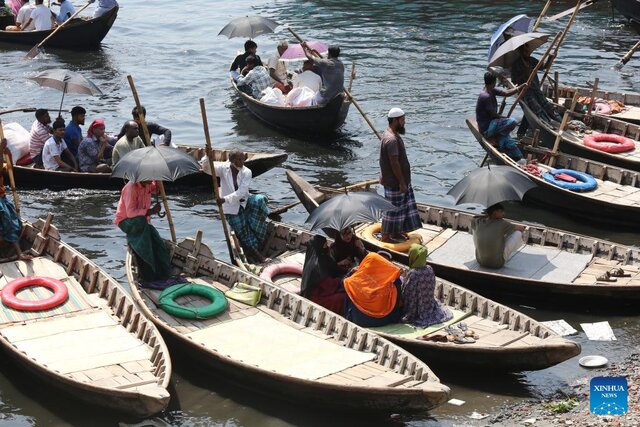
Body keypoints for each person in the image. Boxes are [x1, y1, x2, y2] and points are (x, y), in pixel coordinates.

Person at [213, 150, 270, 263]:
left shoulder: (246, 172)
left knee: (259, 200)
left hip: (244, 202)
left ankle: (257, 243)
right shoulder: (223, 169)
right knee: (244, 231)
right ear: (232, 160)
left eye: (243, 158)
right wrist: (207, 156)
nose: (242, 161)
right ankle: (259, 256)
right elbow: (207, 168)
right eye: (239, 159)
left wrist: (224, 199)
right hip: (231, 207)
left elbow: (242, 192)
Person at [379, 107, 422, 243]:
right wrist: (402, 182)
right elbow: (394, 163)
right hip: (395, 183)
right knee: (392, 210)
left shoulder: (391, 134)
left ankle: (396, 232)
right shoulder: (391, 139)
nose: (404, 122)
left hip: (398, 181)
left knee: (402, 208)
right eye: (402, 120)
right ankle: (385, 236)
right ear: (395, 121)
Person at [114, 180, 171, 281]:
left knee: (157, 242)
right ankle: (148, 270)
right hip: (126, 221)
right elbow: (130, 213)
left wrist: (158, 182)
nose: (151, 179)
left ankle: (164, 273)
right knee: (145, 240)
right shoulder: (131, 188)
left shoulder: (148, 183)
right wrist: (152, 211)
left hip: (143, 221)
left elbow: (155, 189)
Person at [511, 42, 561, 137]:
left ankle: (561, 123)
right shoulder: (516, 64)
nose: (527, 52)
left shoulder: (531, 60)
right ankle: (548, 126)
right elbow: (514, 81)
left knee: (547, 106)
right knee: (537, 110)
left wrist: (551, 58)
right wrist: (525, 74)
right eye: (525, 51)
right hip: (526, 92)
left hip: (536, 89)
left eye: (528, 50)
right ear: (520, 51)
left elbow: (543, 66)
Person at [343, 252, 403, 327]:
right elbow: (396, 304)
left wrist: (351, 272)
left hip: (358, 319)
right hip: (380, 321)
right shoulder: (394, 282)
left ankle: (348, 317)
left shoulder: (358, 277)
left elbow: (344, 282)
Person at [476, 71, 524, 162]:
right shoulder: (485, 96)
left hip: (493, 123)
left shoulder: (491, 90)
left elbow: (506, 93)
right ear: (493, 82)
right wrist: (504, 118)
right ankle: (497, 138)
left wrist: (519, 88)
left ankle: (501, 139)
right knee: (513, 121)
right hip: (486, 127)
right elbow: (493, 114)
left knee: (517, 154)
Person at [401, 244, 452, 328]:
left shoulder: (413, 273)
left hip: (416, 307)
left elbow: (407, 292)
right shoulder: (429, 268)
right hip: (428, 303)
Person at [0, 138, 32, 261]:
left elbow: (9, 169)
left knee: (13, 220)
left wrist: (7, 154)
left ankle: (17, 252)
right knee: (6, 219)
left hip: (1, 197)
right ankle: (19, 253)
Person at [300, 235, 346, 315]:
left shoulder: (322, 257)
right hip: (315, 297)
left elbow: (334, 268)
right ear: (320, 247)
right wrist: (342, 282)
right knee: (342, 297)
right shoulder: (315, 266)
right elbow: (327, 285)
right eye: (325, 245)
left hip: (324, 290)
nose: (327, 247)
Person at [470, 203, 525, 269]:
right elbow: (522, 228)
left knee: (475, 229)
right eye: (501, 211)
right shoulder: (502, 223)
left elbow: (473, 219)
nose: (504, 213)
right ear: (494, 212)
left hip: (480, 261)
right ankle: (503, 255)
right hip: (497, 264)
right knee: (518, 233)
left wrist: (484, 216)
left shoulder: (478, 221)